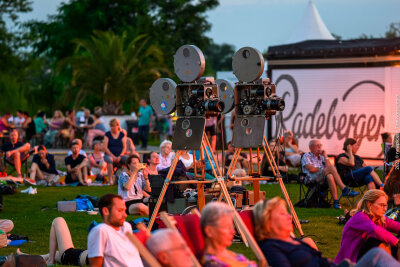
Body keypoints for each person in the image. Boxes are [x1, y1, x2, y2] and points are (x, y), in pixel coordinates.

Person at [253, 196, 400, 267]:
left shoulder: (295, 242)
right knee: (379, 253)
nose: (290, 216)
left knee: (377, 254)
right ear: (268, 221)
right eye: (282, 213)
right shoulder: (271, 246)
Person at [87, 194, 144, 267]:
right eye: (120, 210)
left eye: (125, 210)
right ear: (106, 211)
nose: (125, 215)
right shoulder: (101, 231)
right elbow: (96, 264)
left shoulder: (126, 226)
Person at [301, 140, 359, 209]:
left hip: (322, 178)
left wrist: (325, 156)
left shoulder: (322, 156)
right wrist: (323, 169)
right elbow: (311, 169)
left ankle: (336, 202)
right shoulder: (306, 156)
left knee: (330, 176)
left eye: (320, 145)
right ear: (311, 147)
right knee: (331, 168)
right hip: (310, 179)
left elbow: (328, 167)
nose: (319, 147)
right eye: (317, 145)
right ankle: (344, 189)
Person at [200, 201, 256, 266]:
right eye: (227, 227)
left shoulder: (230, 254)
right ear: (209, 231)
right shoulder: (212, 263)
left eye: (232, 227)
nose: (233, 231)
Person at [17, 217, 89, 266]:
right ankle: (26, 257)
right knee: (55, 254)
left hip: (69, 255)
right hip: (73, 256)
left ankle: (50, 261)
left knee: (58, 220)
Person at [104, 118, 127, 185]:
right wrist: (113, 156)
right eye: (111, 126)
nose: (112, 128)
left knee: (129, 159)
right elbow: (105, 147)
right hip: (110, 154)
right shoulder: (107, 134)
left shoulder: (122, 134)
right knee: (109, 160)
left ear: (118, 126)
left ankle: (127, 179)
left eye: (113, 126)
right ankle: (110, 180)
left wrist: (120, 155)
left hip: (120, 155)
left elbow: (124, 147)